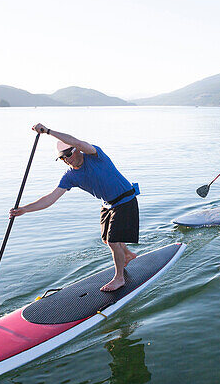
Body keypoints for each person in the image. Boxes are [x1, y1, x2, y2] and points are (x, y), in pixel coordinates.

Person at [10, 124, 139, 292]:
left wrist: (48, 132)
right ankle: (127, 255)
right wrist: (24, 209)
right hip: (108, 205)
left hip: (125, 199)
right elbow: (50, 198)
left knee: (114, 241)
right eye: (63, 159)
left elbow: (76, 141)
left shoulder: (95, 155)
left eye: (68, 155)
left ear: (77, 150)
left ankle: (119, 278)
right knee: (107, 240)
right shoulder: (70, 176)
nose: (67, 160)